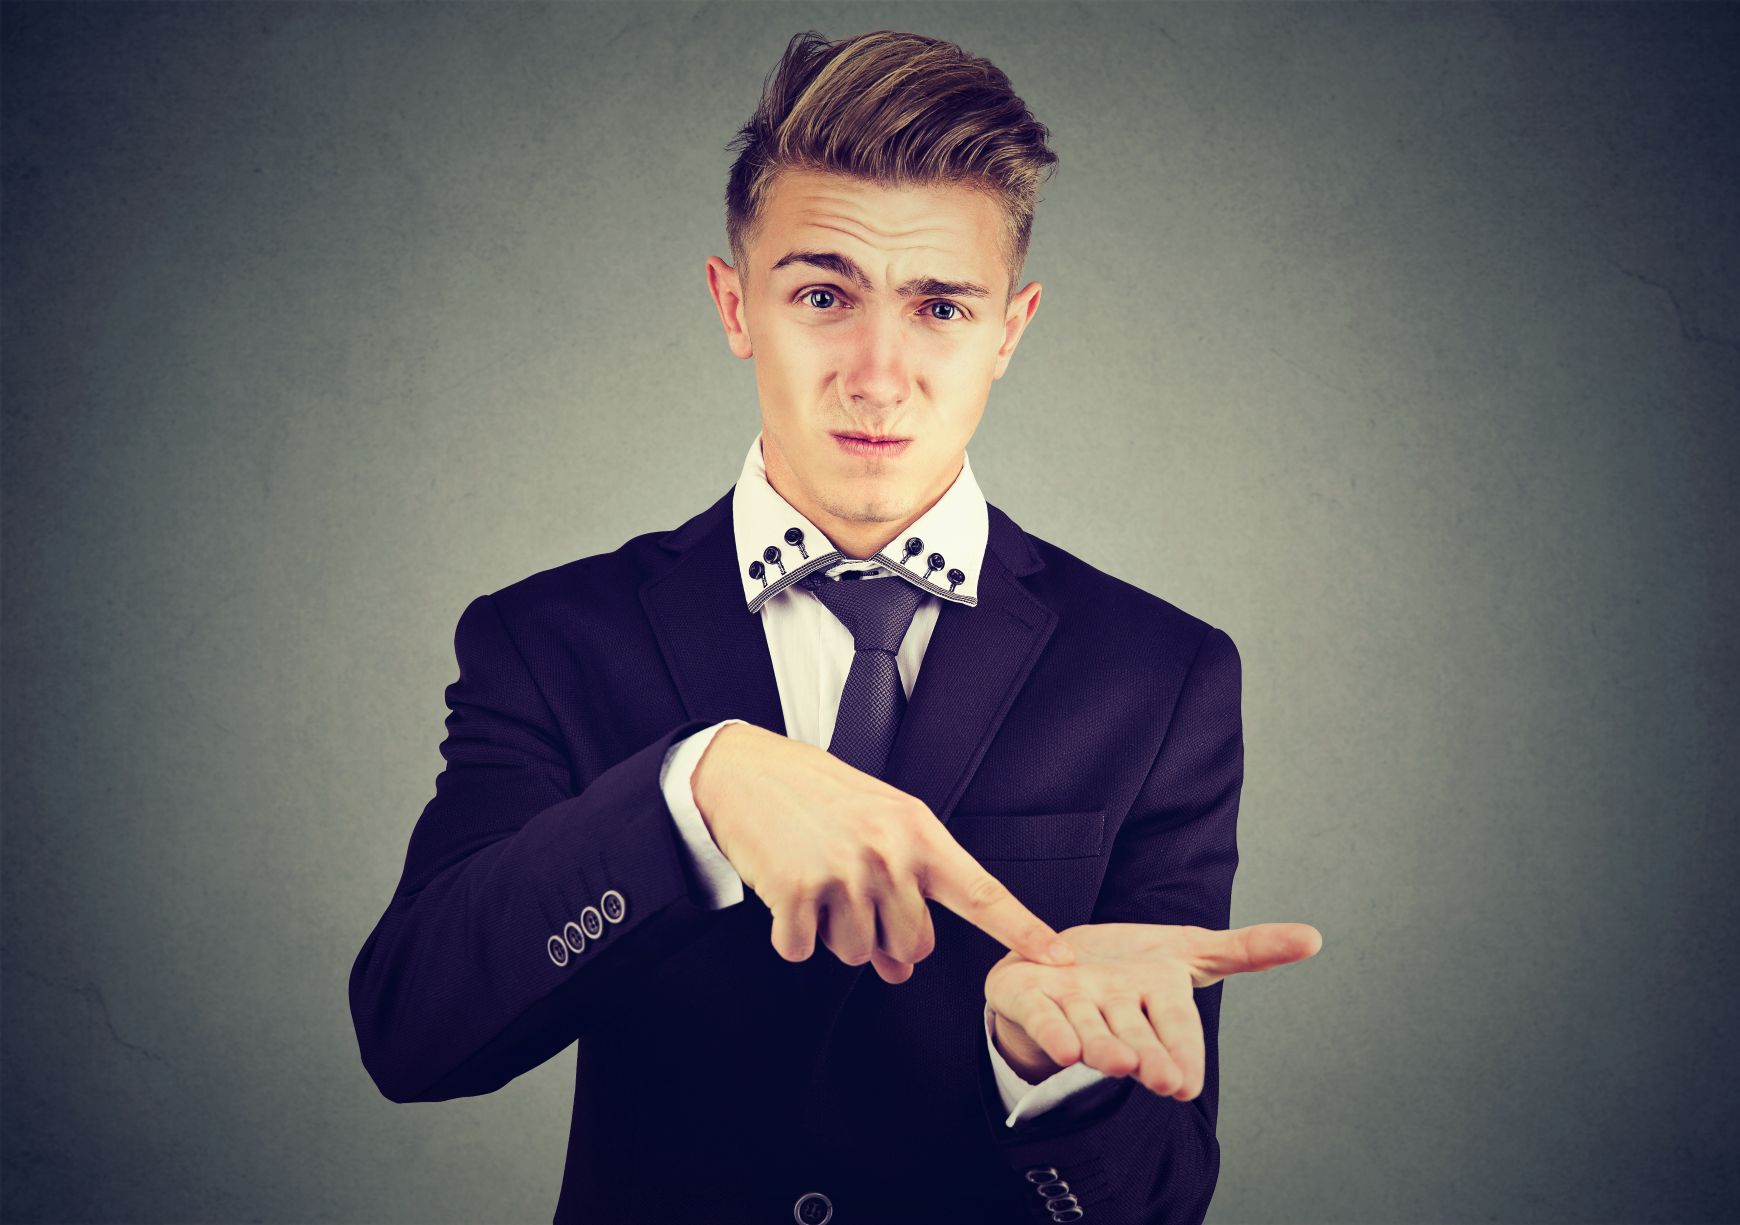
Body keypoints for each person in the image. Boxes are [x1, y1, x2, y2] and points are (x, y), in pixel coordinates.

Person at [348, 28, 1321, 1225]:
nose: (877, 374)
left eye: (940, 307)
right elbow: (412, 1032)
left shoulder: (1161, 676)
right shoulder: (549, 640)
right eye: (823, 295)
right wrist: (690, 794)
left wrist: (1055, 1072)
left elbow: (1160, 1201)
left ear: (1009, 331)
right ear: (735, 304)